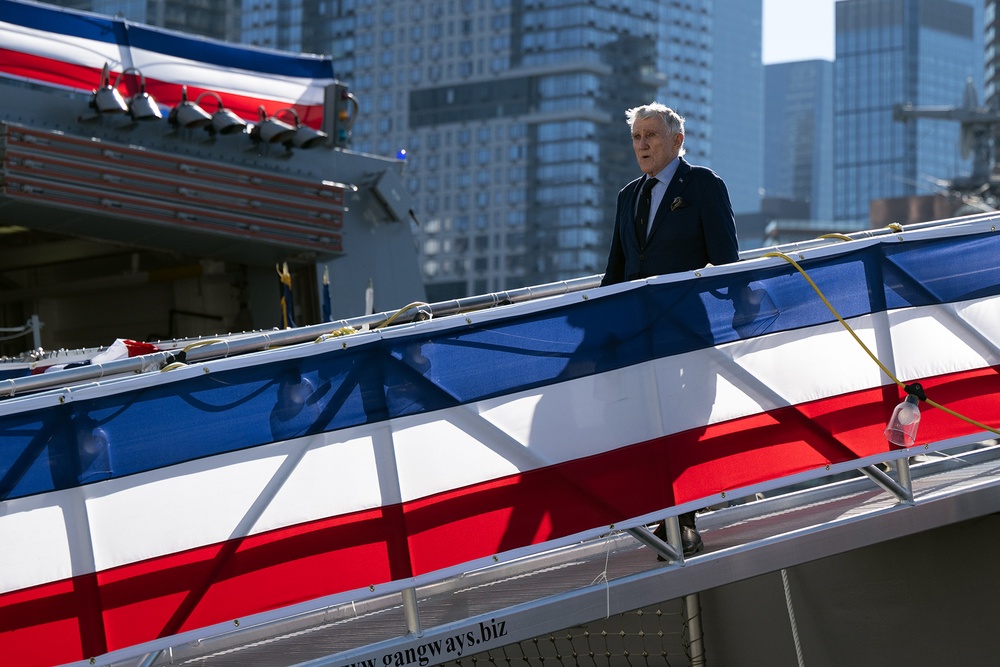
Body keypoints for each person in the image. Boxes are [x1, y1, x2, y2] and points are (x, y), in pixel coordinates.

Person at [600, 102, 740, 557]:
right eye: (636, 137)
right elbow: (614, 273)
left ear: (677, 141)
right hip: (641, 337)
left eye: (651, 136)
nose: (641, 145)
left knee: (686, 424)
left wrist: (742, 316)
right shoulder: (627, 196)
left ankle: (685, 520)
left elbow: (726, 263)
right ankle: (666, 516)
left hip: (689, 333)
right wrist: (599, 330)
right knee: (647, 426)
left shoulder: (703, 185)